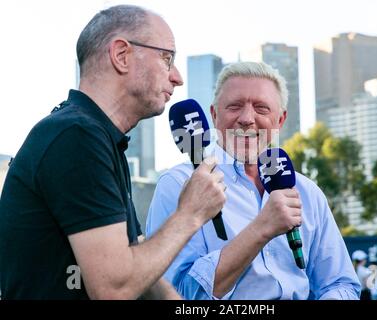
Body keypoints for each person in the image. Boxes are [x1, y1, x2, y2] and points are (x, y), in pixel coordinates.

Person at [0, 5, 226, 300]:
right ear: (121, 55)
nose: (177, 77)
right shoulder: (75, 137)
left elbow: (141, 273)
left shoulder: (100, 140)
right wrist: (191, 213)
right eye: (167, 58)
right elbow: (113, 289)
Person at [146, 61, 360, 300]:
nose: (247, 118)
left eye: (261, 108)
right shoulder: (178, 184)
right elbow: (176, 294)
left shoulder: (308, 192)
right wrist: (262, 228)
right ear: (214, 116)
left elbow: (342, 284)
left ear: (280, 120)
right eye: (235, 106)